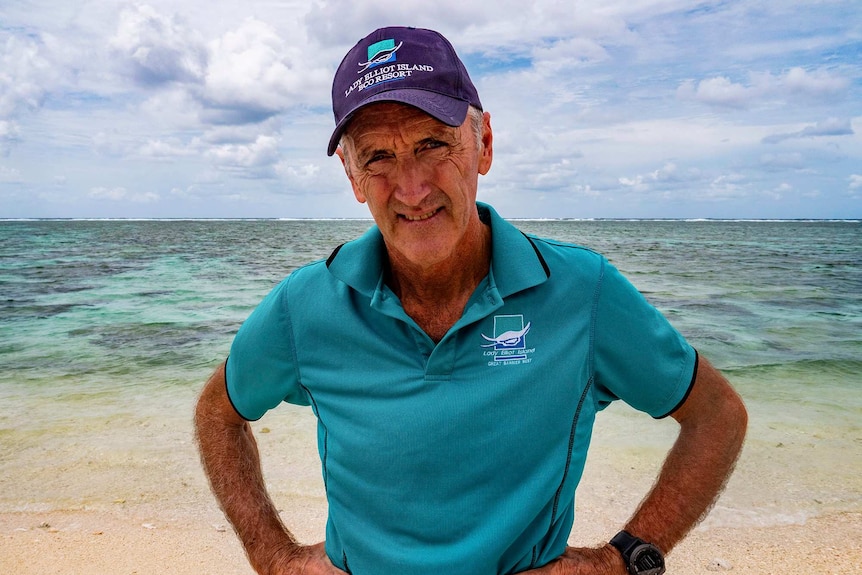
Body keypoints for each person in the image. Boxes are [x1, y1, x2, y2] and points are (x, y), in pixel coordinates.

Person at [194, 26, 747, 575]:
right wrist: (275, 558)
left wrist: (624, 561)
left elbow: (716, 416)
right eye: (379, 157)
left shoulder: (583, 291)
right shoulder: (306, 304)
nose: (411, 187)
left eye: (433, 144)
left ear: (483, 145)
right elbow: (219, 411)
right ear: (352, 176)